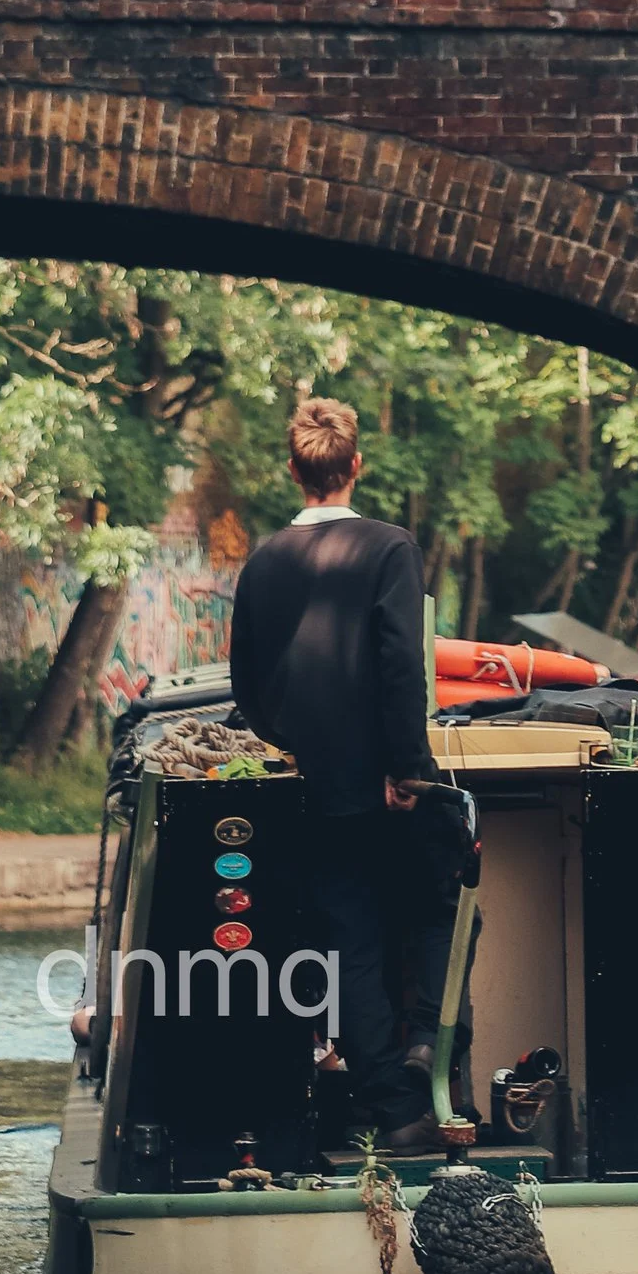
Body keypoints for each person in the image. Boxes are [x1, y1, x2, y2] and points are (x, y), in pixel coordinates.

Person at [227, 394, 465, 1156]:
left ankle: (397, 1114)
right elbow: (401, 665)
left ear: (293, 469)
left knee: (351, 946)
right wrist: (408, 770)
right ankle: (429, 1043)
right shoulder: (389, 547)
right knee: (443, 899)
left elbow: (247, 684)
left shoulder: (264, 561)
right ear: (355, 465)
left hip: (312, 787)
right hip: (388, 782)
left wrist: (293, 743)